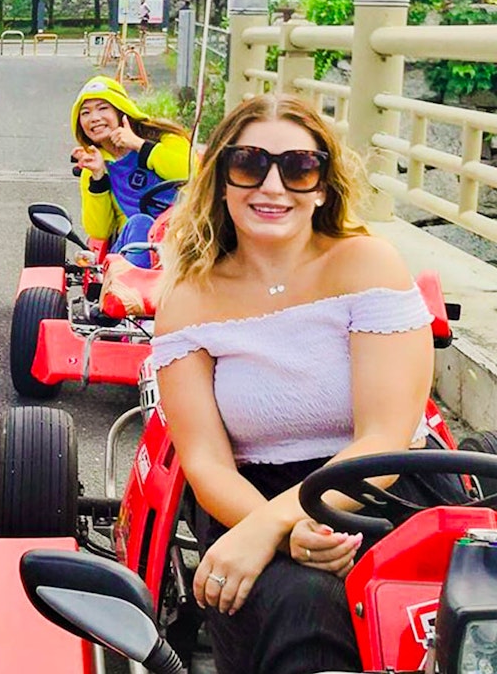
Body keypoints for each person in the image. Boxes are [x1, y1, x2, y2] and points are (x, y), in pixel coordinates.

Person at [152, 94, 467, 674]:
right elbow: (206, 460)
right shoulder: (188, 300)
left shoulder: (366, 264)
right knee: (303, 607)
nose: (273, 186)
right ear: (221, 180)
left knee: (451, 607)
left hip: (384, 482)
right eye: (249, 165)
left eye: (298, 168)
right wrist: (268, 528)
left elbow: (385, 436)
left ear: (322, 186)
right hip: (248, 491)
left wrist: (281, 525)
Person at [69, 75, 192, 267]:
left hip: (181, 235)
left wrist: (139, 146)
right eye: (85, 113)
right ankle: (136, 292)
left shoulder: (166, 139)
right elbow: (99, 231)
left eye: (103, 108)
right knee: (141, 223)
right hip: (131, 249)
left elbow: (189, 173)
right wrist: (99, 176)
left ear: (121, 110)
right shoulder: (93, 165)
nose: (94, 118)